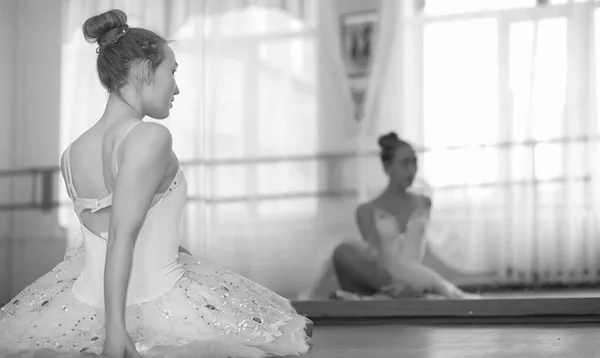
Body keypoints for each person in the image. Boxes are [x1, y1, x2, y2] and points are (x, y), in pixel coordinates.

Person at [0, 9, 311, 358]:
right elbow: (121, 234)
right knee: (281, 330)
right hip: (156, 305)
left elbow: (108, 235)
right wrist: (115, 332)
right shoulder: (150, 137)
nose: (176, 87)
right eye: (172, 71)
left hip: (80, 304)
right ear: (143, 70)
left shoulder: (71, 153)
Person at [332, 132, 477, 300]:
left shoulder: (424, 203)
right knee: (343, 252)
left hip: (416, 277)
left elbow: (424, 251)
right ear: (387, 167)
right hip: (386, 278)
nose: (411, 170)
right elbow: (375, 257)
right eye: (404, 163)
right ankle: (397, 294)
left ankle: (393, 297)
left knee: (441, 290)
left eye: (414, 162)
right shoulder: (366, 210)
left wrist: (449, 280)